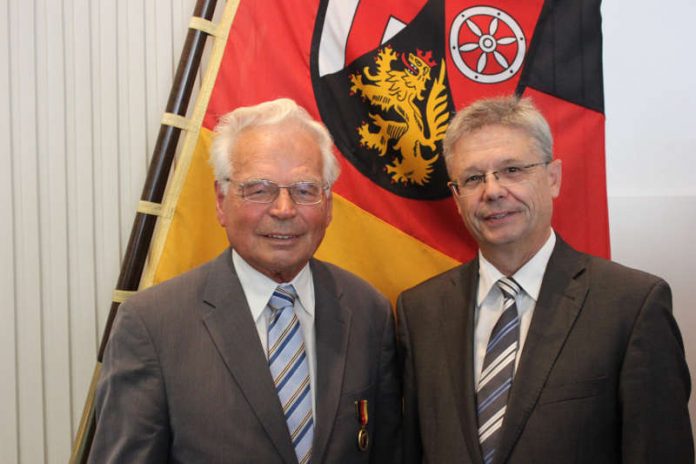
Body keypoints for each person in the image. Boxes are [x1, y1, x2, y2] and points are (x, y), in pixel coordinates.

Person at [89, 98, 401, 463]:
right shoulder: (152, 326)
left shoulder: (369, 312)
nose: (284, 210)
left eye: (304, 190)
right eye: (259, 189)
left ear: (328, 204)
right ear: (221, 201)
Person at [397, 96, 693, 463]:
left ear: (553, 178)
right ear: (457, 198)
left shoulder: (632, 307)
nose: (492, 191)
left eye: (512, 170)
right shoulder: (419, 311)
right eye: (473, 178)